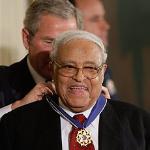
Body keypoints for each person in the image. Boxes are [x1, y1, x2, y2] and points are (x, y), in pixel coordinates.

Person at [0, 30, 150, 150]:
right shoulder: (15, 125)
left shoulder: (139, 124)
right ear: (53, 69)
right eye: (69, 67)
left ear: (103, 72)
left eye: (90, 68)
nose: (79, 77)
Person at [0, 0, 110, 116]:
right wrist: (17, 108)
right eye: (50, 42)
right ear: (27, 39)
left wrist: (106, 114)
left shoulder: (95, 79)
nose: (58, 53)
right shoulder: (3, 81)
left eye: (68, 43)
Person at [69, 0, 118, 99]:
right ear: (73, 25)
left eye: (103, 18)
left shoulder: (103, 69)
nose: (106, 26)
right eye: (95, 19)